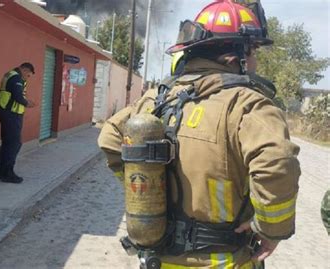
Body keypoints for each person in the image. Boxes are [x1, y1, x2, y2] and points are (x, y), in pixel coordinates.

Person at [98, 0, 301, 267]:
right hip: (222, 260)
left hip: (159, 257)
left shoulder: (155, 99)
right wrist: (271, 229)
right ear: (234, 57)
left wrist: (144, 190)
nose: (255, 61)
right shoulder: (248, 104)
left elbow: (109, 138)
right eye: (253, 52)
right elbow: (278, 164)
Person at [0, 62, 36, 183]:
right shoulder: (16, 77)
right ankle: (7, 173)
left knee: (8, 143)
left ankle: (3, 172)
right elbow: (17, 96)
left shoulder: (10, 74)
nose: (27, 77)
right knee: (14, 143)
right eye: (28, 75)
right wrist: (28, 103)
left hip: (6, 112)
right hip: (11, 114)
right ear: (24, 70)